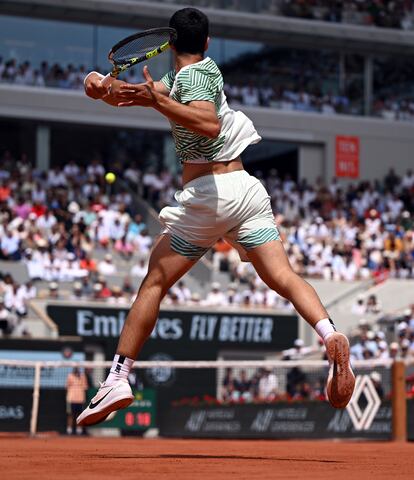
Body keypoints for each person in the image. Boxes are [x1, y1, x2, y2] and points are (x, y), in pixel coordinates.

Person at [77, 7, 355, 427]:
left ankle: (118, 377)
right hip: (244, 189)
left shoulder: (200, 75)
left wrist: (156, 102)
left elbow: (206, 123)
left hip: (210, 195)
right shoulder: (179, 79)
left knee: (154, 281)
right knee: (283, 276)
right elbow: (133, 95)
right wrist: (99, 87)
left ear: (170, 43)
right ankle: (329, 333)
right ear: (206, 41)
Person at [66, 367, 88, 435]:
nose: (76, 371)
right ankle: (69, 430)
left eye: (77, 369)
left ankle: (79, 429)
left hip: (80, 399)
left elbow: (85, 387)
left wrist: (80, 380)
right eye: (75, 369)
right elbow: (67, 386)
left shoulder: (83, 376)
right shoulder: (70, 376)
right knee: (71, 414)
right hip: (71, 399)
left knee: (80, 415)